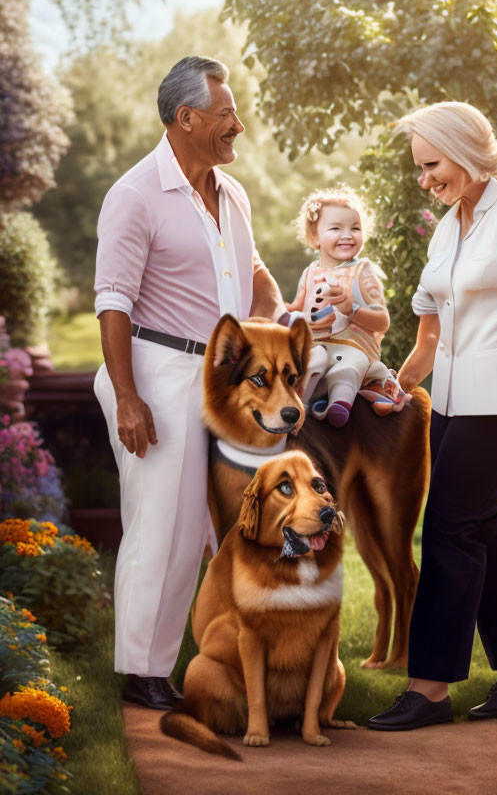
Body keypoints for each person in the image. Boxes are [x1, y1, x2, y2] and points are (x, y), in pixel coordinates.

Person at [368, 101, 497, 731]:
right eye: (420, 168)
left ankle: (430, 688)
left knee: (451, 526)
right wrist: (400, 385)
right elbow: (429, 338)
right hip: (456, 406)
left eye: (432, 165)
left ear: (465, 152)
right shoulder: (446, 228)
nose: (425, 179)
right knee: (482, 527)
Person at [93, 56, 285, 710]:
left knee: (212, 526)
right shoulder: (135, 194)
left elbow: (251, 272)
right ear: (187, 119)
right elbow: (112, 303)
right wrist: (126, 396)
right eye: (225, 113)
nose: (238, 124)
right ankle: (142, 673)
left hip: (220, 375)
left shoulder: (232, 195)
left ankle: (183, 660)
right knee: (162, 524)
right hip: (155, 369)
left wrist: (285, 320)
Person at [286, 186, 409, 426]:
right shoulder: (309, 272)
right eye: (335, 228)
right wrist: (280, 309)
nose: (347, 235)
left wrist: (350, 309)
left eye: (355, 228)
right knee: (305, 360)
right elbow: (297, 307)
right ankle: (298, 403)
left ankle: (339, 404)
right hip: (317, 345)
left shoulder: (362, 272)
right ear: (314, 238)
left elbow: (382, 320)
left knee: (349, 366)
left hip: (352, 347)